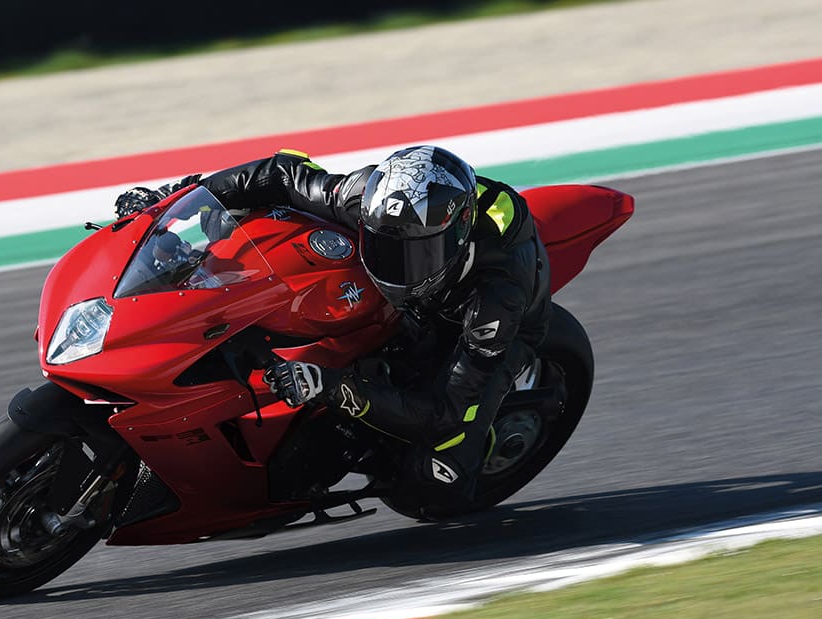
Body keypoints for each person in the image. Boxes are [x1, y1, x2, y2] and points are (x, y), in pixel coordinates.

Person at [114, 146, 550, 517]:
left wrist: (333, 387)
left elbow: (445, 412)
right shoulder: (364, 197)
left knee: (436, 483)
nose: (397, 264)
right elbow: (283, 172)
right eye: (385, 245)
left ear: (457, 237)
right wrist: (178, 200)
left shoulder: (497, 299)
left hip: (470, 325)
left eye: (416, 255)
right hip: (407, 298)